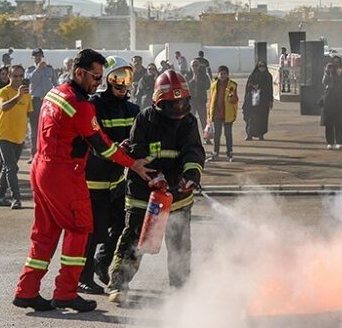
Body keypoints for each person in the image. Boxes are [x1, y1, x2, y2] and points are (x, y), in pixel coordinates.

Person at [12, 49, 153, 313]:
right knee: (80, 229)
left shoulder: (55, 93)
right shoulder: (80, 105)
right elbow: (103, 146)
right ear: (79, 73)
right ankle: (66, 292)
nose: (98, 83)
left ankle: (26, 290)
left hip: (41, 169)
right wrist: (133, 163)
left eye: (101, 77)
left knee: (44, 234)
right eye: (95, 77)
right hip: (64, 173)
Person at [108, 70, 204, 304]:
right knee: (133, 240)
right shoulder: (145, 119)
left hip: (178, 195)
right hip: (143, 193)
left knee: (180, 244)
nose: (180, 109)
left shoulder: (189, 121)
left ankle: (180, 290)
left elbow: (193, 150)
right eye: (174, 104)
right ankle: (119, 285)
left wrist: (191, 175)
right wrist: (153, 177)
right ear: (159, 102)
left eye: (183, 103)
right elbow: (137, 150)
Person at [78, 56, 140, 295]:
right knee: (92, 231)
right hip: (94, 179)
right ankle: (83, 277)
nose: (122, 84)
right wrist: (118, 147)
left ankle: (101, 264)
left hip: (117, 180)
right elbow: (95, 141)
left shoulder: (131, 109)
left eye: (127, 78)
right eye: (117, 77)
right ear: (107, 80)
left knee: (120, 226)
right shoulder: (94, 105)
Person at [0, 65, 33, 209]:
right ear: (9, 76)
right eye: (15, 76)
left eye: (20, 76)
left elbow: (28, 113)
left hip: (19, 136)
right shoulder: (2, 92)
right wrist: (18, 96)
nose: (18, 79)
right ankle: (16, 198)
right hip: (3, 134)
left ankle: (0, 196)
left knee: (7, 167)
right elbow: (4, 107)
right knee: (11, 167)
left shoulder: (27, 94)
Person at [26, 48, 57, 161]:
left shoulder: (49, 69)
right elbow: (30, 81)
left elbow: (55, 83)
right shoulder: (30, 70)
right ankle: (33, 154)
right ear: (32, 57)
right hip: (35, 101)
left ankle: (46, 153)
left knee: (49, 128)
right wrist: (38, 69)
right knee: (34, 129)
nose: (38, 57)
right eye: (36, 56)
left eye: (40, 55)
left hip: (48, 101)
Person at [320, 56, 342, 150]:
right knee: (328, 123)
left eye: (337, 62)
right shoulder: (328, 72)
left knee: (339, 123)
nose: (336, 64)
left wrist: (340, 76)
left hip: (339, 100)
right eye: (334, 62)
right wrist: (327, 72)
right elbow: (324, 82)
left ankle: (339, 142)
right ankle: (330, 142)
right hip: (329, 100)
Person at [207, 65, 238, 162]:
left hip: (228, 113)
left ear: (228, 75)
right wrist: (209, 114)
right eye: (221, 73)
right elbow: (211, 100)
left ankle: (229, 153)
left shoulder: (232, 85)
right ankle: (215, 153)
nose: (223, 75)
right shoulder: (213, 85)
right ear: (218, 74)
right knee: (217, 134)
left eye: (225, 73)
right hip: (216, 114)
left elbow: (235, 100)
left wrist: (232, 98)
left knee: (228, 134)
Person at [243, 60, 273, 140]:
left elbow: (270, 89)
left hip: (263, 101)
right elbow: (248, 87)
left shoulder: (268, 76)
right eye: (260, 66)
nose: (261, 68)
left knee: (262, 118)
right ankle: (249, 134)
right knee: (251, 118)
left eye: (263, 66)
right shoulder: (253, 76)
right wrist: (253, 87)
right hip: (252, 101)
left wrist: (271, 100)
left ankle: (261, 134)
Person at [188, 59, 211, 143]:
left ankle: (206, 138)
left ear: (199, 66)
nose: (195, 67)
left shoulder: (204, 75)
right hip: (191, 102)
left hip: (201, 101)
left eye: (196, 65)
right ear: (190, 67)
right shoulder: (188, 75)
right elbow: (185, 86)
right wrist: (193, 81)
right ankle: (189, 138)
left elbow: (208, 86)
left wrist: (199, 81)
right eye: (193, 65)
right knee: (190, 121)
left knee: (204, 120)